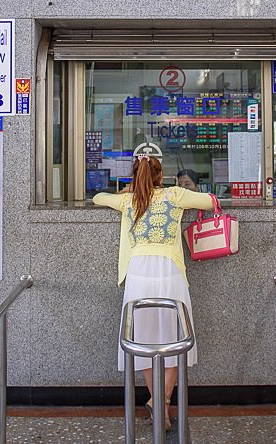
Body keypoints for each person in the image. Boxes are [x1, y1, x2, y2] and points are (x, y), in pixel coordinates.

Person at [93, 146, 214, 430]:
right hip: (170, 272)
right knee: (175, 337)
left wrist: (126, 193)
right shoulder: (175, 194)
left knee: (144, 340)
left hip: (138, 275)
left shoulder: (129, 200)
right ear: (162, 174)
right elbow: (210, 200)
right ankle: (163, 405)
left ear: (135, 175)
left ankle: (156, 404)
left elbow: (98, 197)